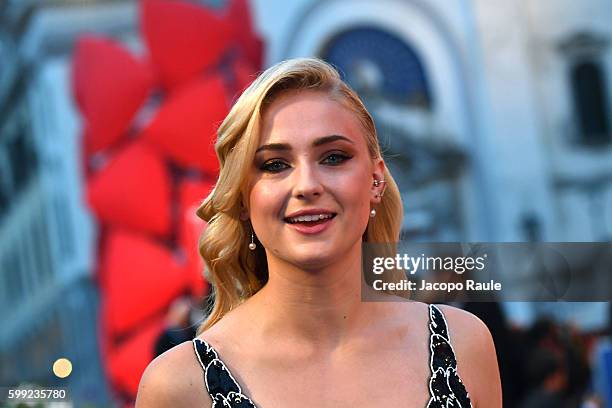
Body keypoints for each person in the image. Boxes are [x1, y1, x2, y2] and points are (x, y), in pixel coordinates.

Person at [135, 57, 502, 407]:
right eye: (275, 164)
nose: (306, 185)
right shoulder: (179, 385)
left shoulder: (463, 343)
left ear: (375, 180)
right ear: (243, 196)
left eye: (333, 157)